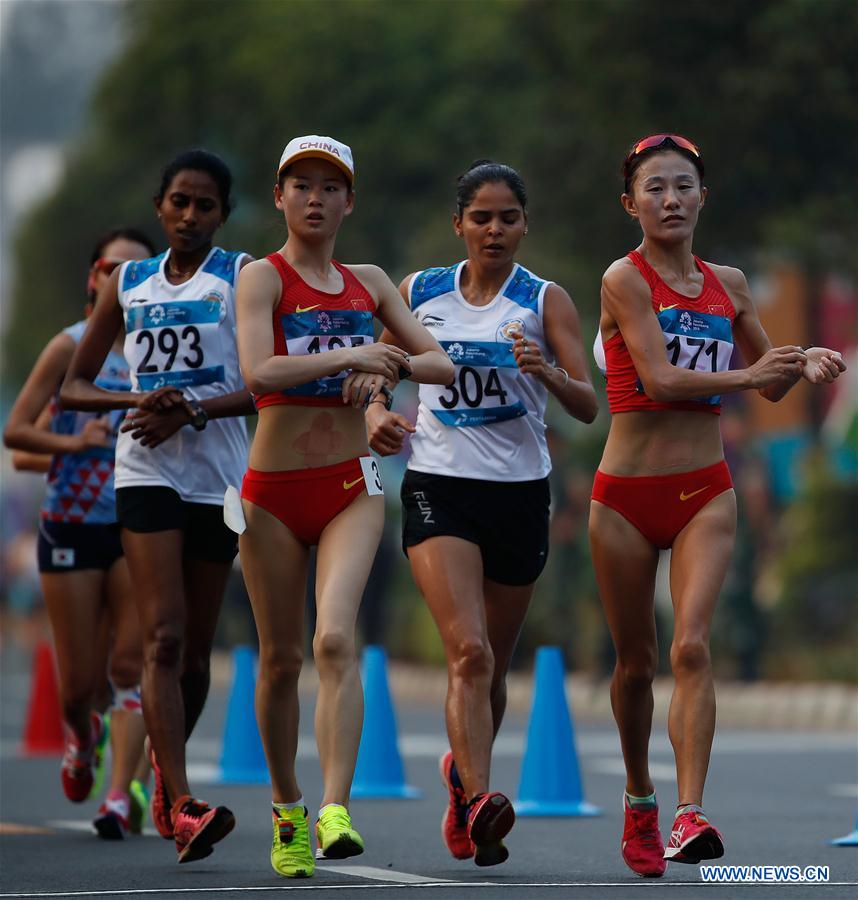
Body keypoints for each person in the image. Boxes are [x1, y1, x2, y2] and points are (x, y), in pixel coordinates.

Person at [589, 134, 846, 877]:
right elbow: (663, 380)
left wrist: (804, 363)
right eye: (655, 188)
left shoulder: (729, 284)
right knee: (635, 665)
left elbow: (767, 382)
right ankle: (640, 796)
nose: (670, 200)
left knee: (692, 646)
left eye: (683, 186)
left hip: (705, 490)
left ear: (704, 196)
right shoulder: (623, 279)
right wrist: (758, 372)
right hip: (625, 497)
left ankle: (688, 811)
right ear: (630, 203)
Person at [364, 160, 598, 867]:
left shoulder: (544, 300)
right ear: (459, 224)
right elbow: (379, 365)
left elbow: (588, 407)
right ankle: (480, 804)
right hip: (440, 484)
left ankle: (464, 781)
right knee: (468, 652)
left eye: (509, 218)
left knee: (492, 670)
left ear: (525, 224)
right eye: (482, 217)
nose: (495, 230)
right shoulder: (420, 293)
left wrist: (548, 372)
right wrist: (377, 409)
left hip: (521, 492)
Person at [235, 135, 453, 879]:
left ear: (349, 201)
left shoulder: (368, 281)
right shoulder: (260, 279)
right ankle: (288, 808)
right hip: (269, 493)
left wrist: (387, 359)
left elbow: (441, 363)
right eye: (302, 186)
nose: (316, 199)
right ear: (280, 197)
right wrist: (349, 357)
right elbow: (259, 371)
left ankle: (335, 808)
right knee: (279, 659)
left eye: (331, 187)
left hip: (350, 485)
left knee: (334, 641)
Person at [61, 150, 255, 863]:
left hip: (219, 478)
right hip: (145, 469)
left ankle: (164, 777)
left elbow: (266, 383)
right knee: (164, 637)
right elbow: (76, 386)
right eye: (179, 201)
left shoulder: (243, 277)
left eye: (205, 205)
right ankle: (180, 798)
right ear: (159, 206)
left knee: (196, 656)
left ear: (223, 215)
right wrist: (138, 401)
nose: (190, 216)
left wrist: (194, 408)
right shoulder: (127, 281)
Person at [4, 229, 154, 839]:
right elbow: (17, 435)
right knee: (79, 685)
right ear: (93, 278)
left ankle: (119, 796)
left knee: (128, 664)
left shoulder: (159, 347)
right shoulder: (68, 347)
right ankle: (79, 733)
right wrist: (74, 441)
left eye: (135, 272)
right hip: (70, 522)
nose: (121, 281)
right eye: (110, 269)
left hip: (137, 520)